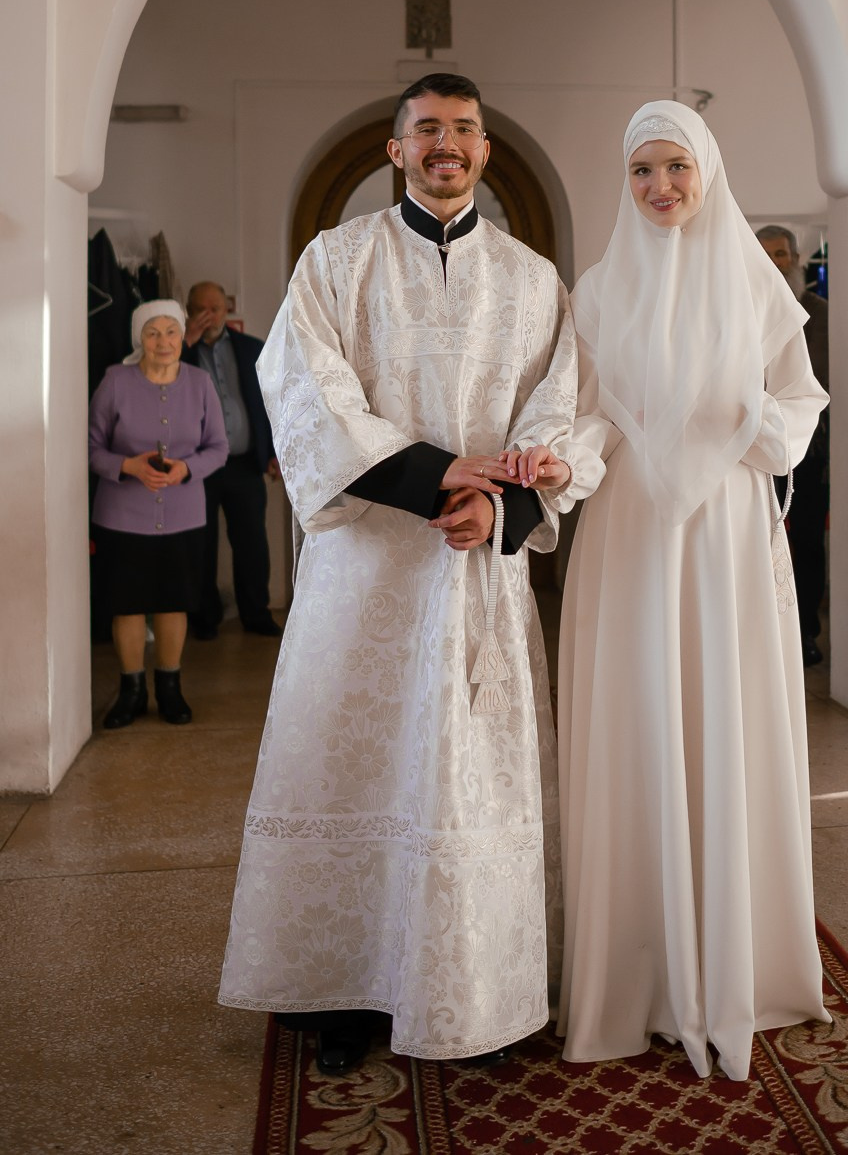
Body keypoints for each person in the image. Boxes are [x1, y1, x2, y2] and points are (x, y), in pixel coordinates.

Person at [218, 73, 600, 1074]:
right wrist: (438, 479)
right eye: (426, 129)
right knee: (352, 766)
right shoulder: (335, 262)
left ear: (482, 149)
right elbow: (306, 394)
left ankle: (472, 988)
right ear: (394, 150)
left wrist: (504, 500)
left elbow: (558, 409)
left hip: (476, 577)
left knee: (465, 779)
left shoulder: (529, 279)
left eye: (463, 130)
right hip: (366, 571)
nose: (447, 144)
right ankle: (338, 989)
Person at [514, 100, 830, 1081]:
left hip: (727, 535)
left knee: (721, 723)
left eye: (675, 168)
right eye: (642, 170)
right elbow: (590, 414)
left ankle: (737, 962)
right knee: (637, 727)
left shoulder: (758, 291)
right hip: (628, 539)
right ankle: (637, 969)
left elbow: (797, 405)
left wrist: (751, 422)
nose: (659, 187)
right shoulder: (596, 293)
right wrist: (564, 462)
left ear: (707, 174)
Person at [88, 300, 229, 728]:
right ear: (139, 339)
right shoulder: (115, 381)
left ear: (181, 335)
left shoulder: (201, 382)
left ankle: (170, 687)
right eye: (153, 332)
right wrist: (127, 466)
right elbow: (91, 446)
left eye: (171, 331)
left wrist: (188, 469)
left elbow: (218, 448)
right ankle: (131, 691)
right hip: (121, 514)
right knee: (126, 605)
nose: (163, 341)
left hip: (184, 513)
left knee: (173, 601)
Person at [182, 281, 283, 639]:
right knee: (201, 544)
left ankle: (256, 614)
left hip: (243, 463)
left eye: (217, 308)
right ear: (190, 310)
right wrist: (186, 343)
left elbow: (269, 406)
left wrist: (272, 452)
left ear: (227, 310)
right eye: (202, 309)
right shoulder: (179, 349)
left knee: (252, 544)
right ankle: (203, 618)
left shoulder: (251, 348)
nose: (211, 315)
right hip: (195, 466)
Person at [756, 225, 830, 667]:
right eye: (764, 254)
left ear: (796, 259)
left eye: (781, 254)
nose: (773, 263)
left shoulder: (816, 312)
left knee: (804, 541)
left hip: (803, 447)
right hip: (747, 444)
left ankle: (805, 634)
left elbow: (815, 381)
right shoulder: (741, 304)